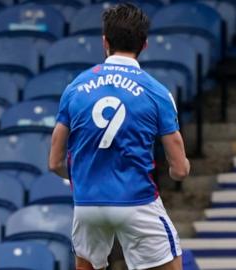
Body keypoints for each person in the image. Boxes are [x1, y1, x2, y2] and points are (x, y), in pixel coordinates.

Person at [48, 3, 190, 270]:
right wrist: (177, 173)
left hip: (88, 203)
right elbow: (180, 169)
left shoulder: (75, 87)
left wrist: (74, 177)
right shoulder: (157, 92)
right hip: (136, 200)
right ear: (145, 44)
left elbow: (54, 162)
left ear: (105, 42)